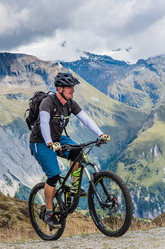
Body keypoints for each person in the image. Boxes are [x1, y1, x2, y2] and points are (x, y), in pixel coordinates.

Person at [29, 72, 110, 229]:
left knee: (78, 152)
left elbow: (85, 119)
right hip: (40, 142)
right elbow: (44, 123)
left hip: (58, 139)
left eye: (73, 86)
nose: (73, 89)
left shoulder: (70, 103)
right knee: (53, 175)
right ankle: (49, 213)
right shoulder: (48, 102)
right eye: (69, 87)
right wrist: (49, 142)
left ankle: (73, 188)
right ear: (59, 89)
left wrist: (100, 134)